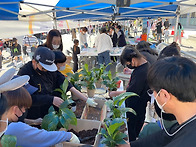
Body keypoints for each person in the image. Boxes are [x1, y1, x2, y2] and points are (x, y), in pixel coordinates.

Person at [118, 56, 196, 147]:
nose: (153, 96)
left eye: (152, 92)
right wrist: (130, 145)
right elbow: (164, 136)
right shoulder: (186, 123)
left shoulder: (185, 142)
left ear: (164, 95)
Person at [18, 47, 97, 119]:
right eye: (43, 68)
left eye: (48, 69)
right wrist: (50, 99)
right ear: (34, 62)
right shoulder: (24, 73)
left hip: (49, 111)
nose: (46, 71)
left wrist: (86, 99)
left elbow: (67, 84)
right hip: (34, 113)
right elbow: (26, 98)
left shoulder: (50, 71)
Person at [3, 87, 80, 146]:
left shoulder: (3, 122)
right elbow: (43, 137)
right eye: (24, 108)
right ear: (15, 108)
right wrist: (69, 135)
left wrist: (32, 121)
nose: (23, 112)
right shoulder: (14, 128)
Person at [109, 46, 150, 141]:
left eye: (128, 64)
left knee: (132, 133)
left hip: (135, 110)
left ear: (133, 60)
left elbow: (130, 92)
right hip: (138, 108)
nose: (128, 66)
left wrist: (114, 93)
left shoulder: (142, 73)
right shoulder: (144, 64)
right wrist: (131, 72)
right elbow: (138, 77)